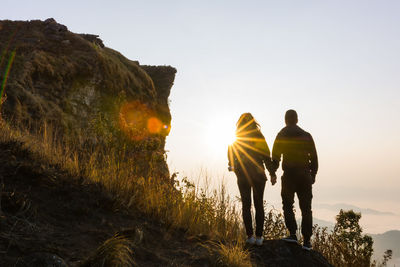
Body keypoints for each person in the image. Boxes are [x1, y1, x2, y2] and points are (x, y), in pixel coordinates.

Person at [271, 109, 318, 250]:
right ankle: (307, 241)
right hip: (305, 175)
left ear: (285, 120)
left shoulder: (282, 134)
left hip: (290, 175)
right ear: (297, 119)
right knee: (306, 209)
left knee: (287, 204)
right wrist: (313, 174)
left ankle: (292, 234)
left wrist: (272, 172)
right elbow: (314, 157)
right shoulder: (306, 135)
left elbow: (275, 157)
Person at [228, 113, 276, 246]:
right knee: (259, 205)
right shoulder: (259, 136)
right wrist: (272, 173)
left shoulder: (238, 137)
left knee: (246, 205)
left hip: (243, 175)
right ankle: (259, 237)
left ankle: (249, 237)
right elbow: (266, 156)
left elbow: (230, 150)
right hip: (259, 175)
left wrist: (232, 164)